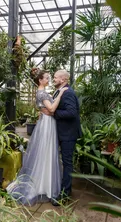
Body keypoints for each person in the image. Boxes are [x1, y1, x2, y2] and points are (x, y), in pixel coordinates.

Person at [6, 68, 67, 205]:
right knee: (46, 152)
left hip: (46, 123)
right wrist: (60, 94)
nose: (48, 80)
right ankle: (43, 185)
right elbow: (51, 109)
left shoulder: (42, 93)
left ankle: (44, 183)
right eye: (46, 78)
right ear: (40, 80)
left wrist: (47, 110)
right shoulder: (42, 94)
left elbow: (47, 110)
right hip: (47, 124)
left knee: (45, 152)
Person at [42, 70, 82, 206]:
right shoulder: (60, 91)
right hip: (62, 133)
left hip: (68, 134)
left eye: (55, 77)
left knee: (67, 163)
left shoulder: (68, 93)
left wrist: (54, 113)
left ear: (63, 79)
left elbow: (72, 112)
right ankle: (61, 187)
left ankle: (65, 194)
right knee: (62, 161)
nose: (53, 79)